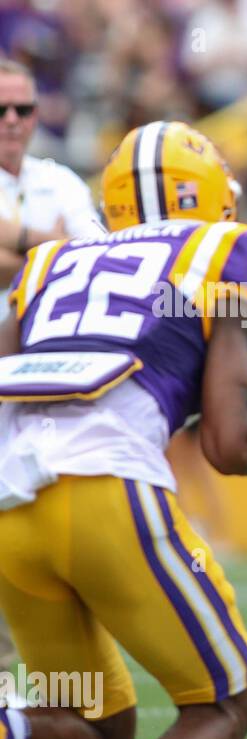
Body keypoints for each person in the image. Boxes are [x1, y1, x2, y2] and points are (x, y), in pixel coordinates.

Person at [0, 121, 247, 739]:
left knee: (93, 733)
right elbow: (227, 443)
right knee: (222, 703)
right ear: (212, 193)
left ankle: (6, 730)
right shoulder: (230, 248)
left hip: (12, 511)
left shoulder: (49, 259)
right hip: (107, 493)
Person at [0, 57, 105, 671]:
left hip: (41, 375)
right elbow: (60, 254)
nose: (13, 120)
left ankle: (43, 687)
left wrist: (16, 244)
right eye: (1, 110)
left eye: (24, 108)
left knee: (36, 527)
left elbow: (86, 263)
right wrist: (45, 243)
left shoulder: (59, 177)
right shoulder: (59, 192)